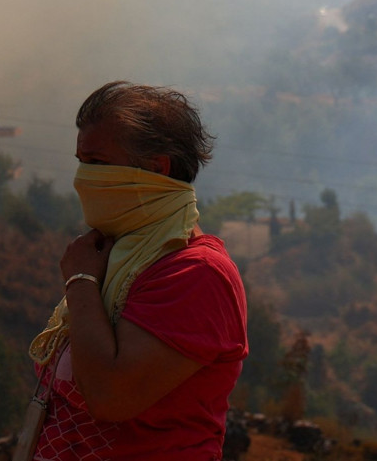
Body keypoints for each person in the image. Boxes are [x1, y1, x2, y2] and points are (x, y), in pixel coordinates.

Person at [26, 81, 248, 461]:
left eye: (97, 163)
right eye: (80, 161)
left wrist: (80, 282)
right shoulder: (120, 258)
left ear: (155, 168)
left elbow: (110, 396)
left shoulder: (197, 274)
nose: (83, 177)